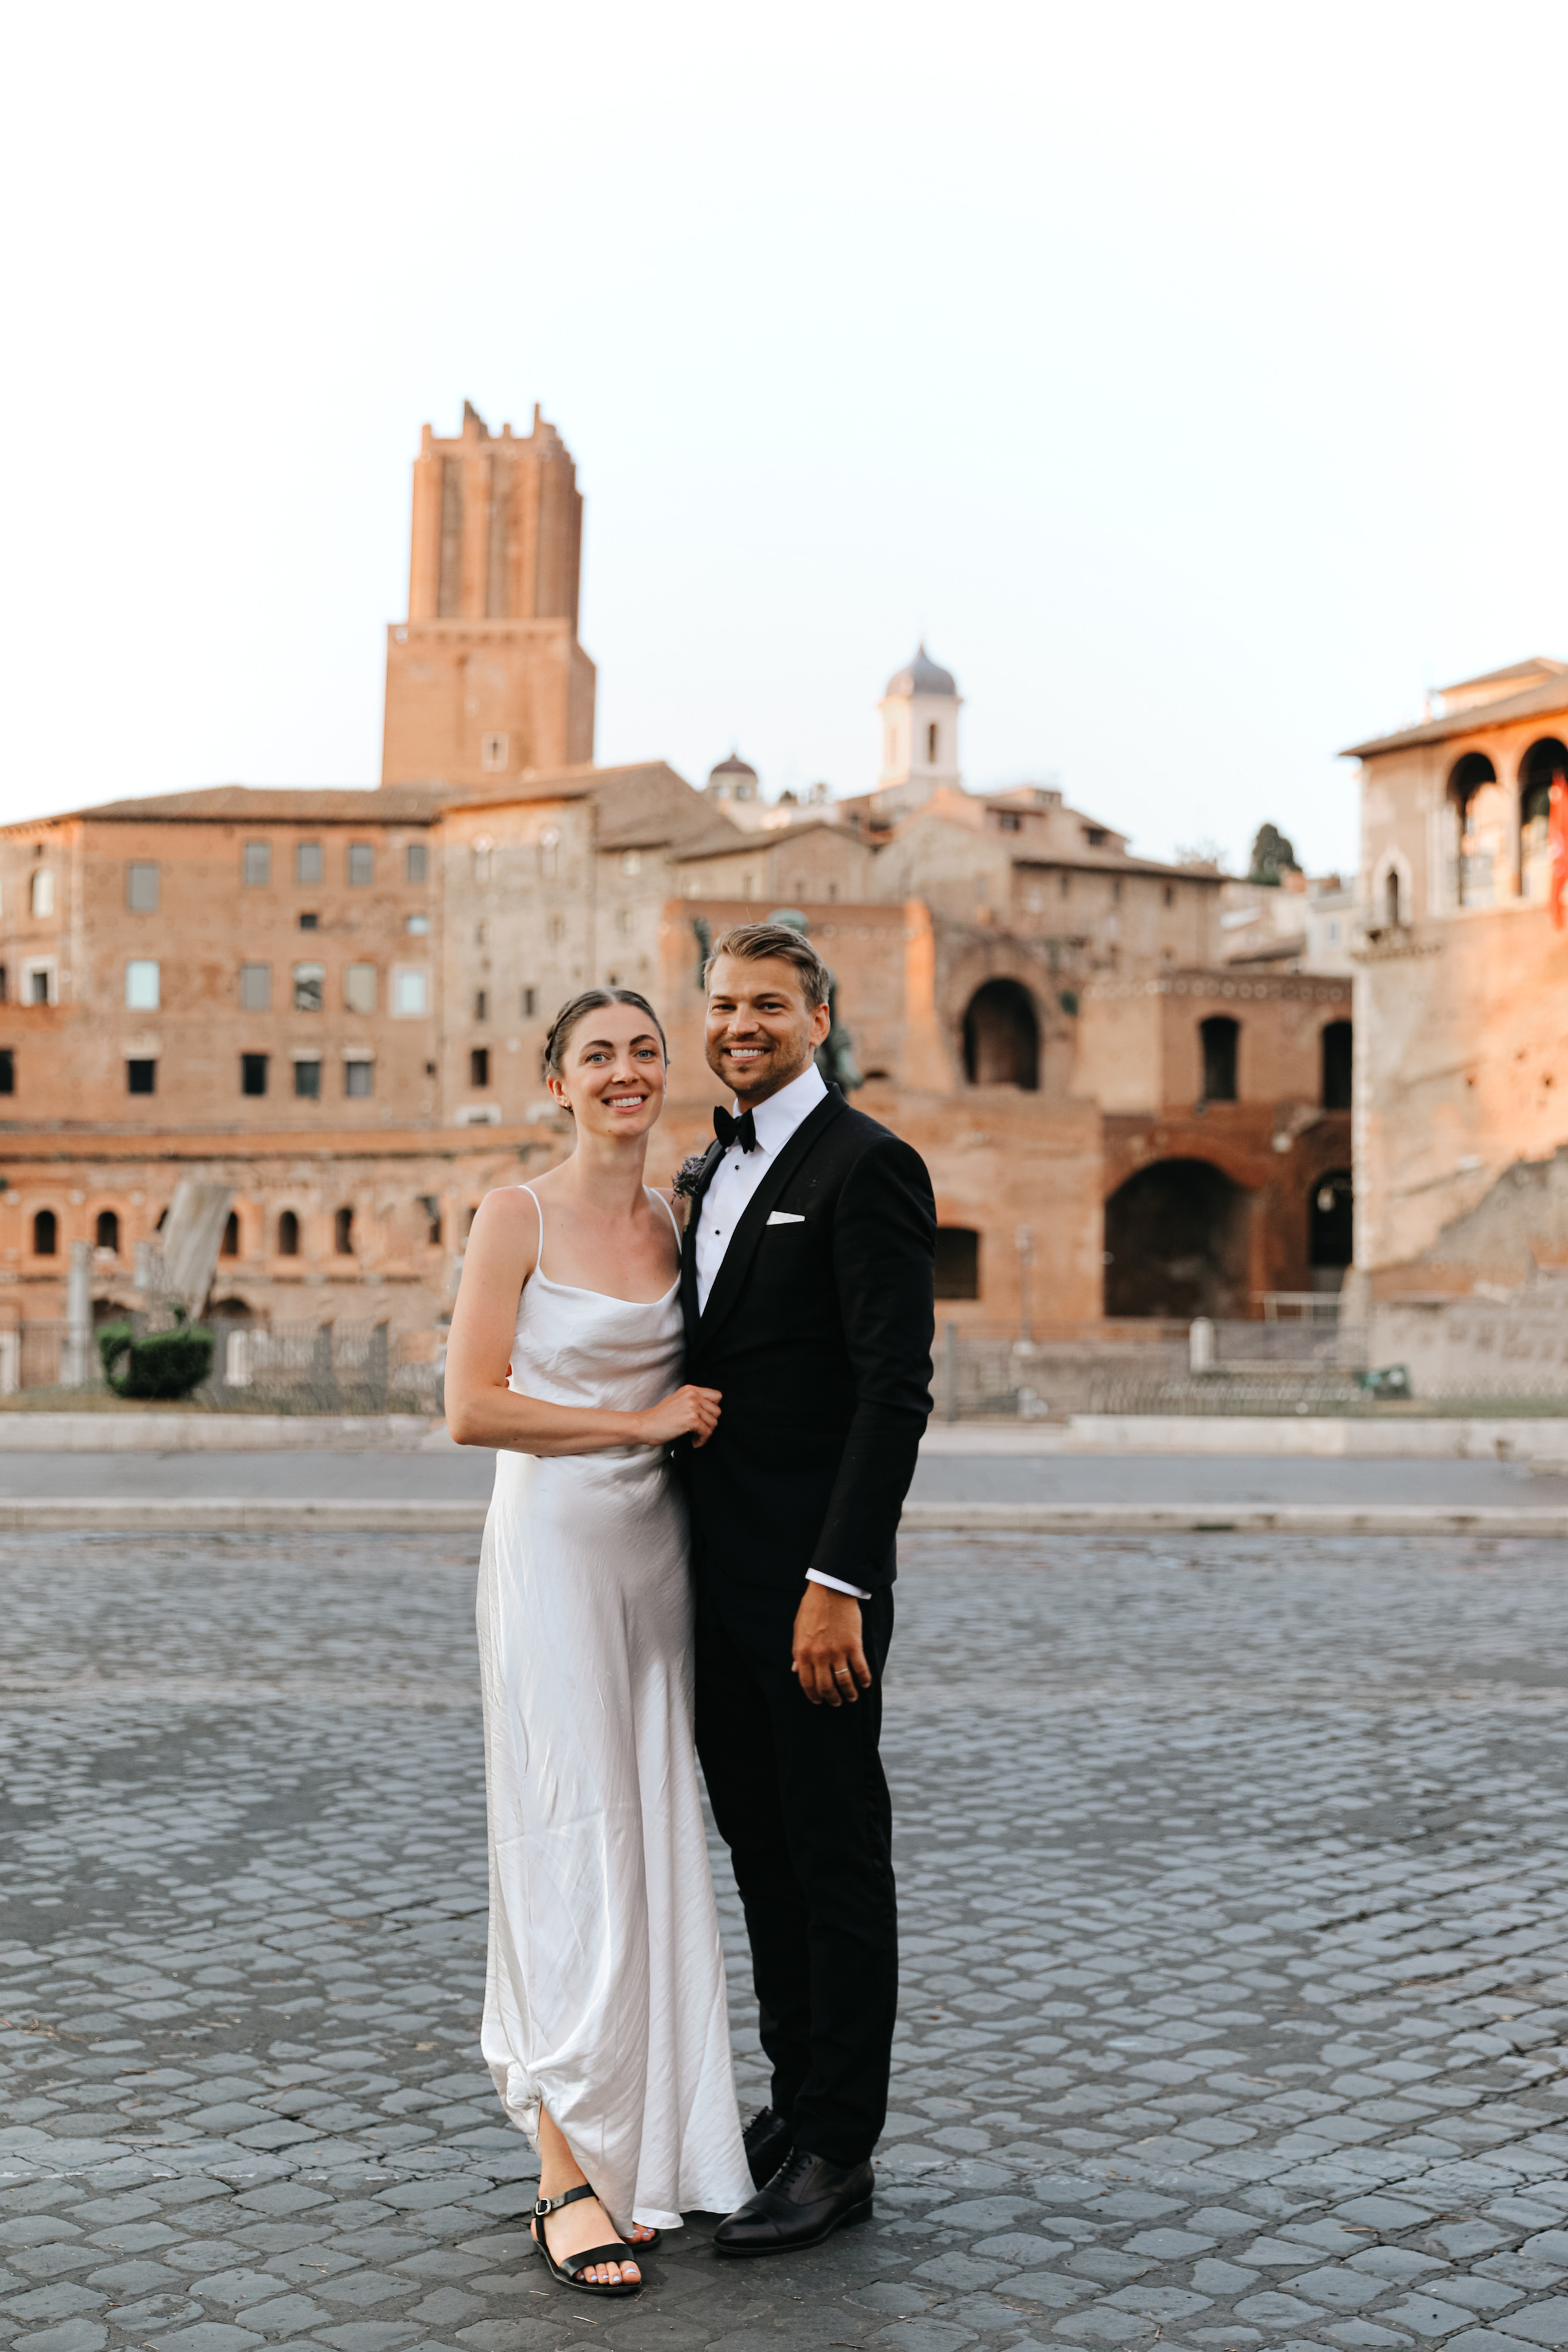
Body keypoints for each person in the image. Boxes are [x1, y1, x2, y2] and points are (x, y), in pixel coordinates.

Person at [445, 987, 752, 2301]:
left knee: (647, 1835)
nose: (624, 1072)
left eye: (642, 1051)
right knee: (568, 1833)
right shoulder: (512, 1214)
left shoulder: (677, 1216)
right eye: (595, 1057)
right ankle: (562, 2173)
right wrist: (641, 1426)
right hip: (554, 1549)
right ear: (555, 1084)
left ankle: (648, 2141)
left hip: (652, 1559)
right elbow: (470, 1408)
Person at [677, 922, 936, 2255]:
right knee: (761, 1854)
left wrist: (840, 1578)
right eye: (723, 1005)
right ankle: (796, 2101)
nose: (740, 1026)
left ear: (818, 1016)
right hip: (714, 1588)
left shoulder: (869, 1166)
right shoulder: (704, 1168)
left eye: (767, 1006)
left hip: (813, 1595)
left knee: (833, 1855)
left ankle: (842, 2147)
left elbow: (894, 1392)